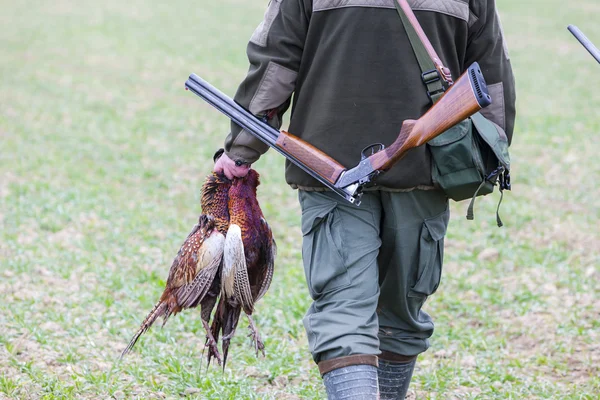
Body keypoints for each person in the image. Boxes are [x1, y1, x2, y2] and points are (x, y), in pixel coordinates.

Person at [214, 0, 516, 398]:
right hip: (425, 169)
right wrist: (486, 154)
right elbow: (491, 76)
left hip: (329, 165)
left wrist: (240, 149)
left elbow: (276, 63)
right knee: (400, 316)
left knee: (343, 312)